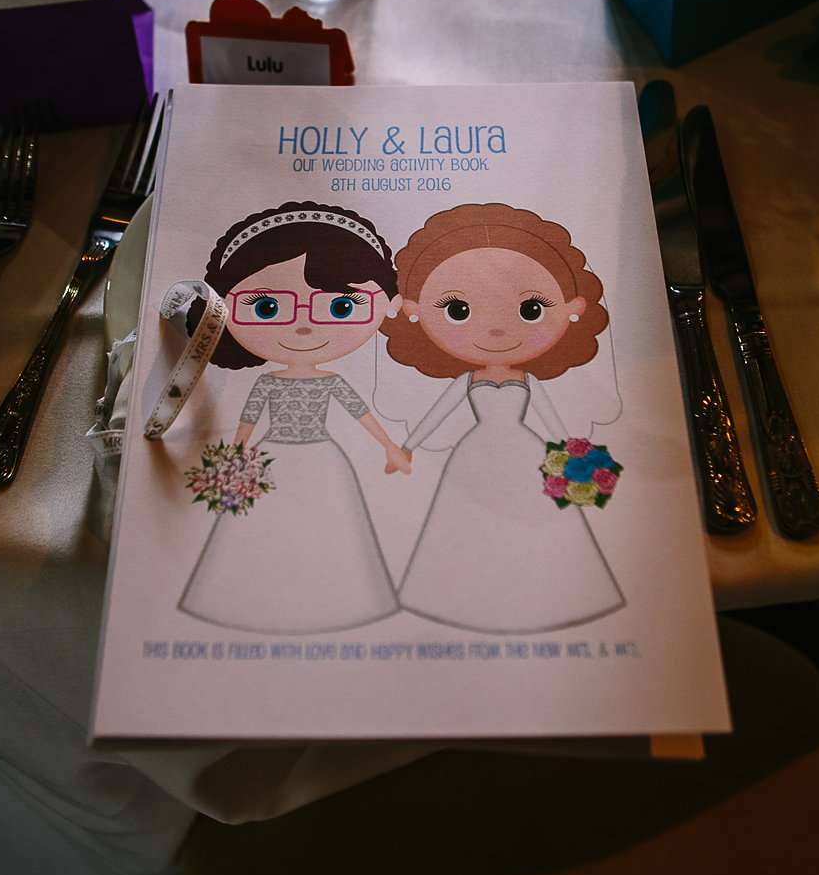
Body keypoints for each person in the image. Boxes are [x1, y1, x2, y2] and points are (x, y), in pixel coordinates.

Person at [382, 202, 625, 633]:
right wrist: (405, 447)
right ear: (416, 311)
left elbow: (551, 421)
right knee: (469, 524)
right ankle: (465, 596)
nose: (495, 329)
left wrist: (575, 455)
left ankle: (542, 592)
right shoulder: (467, 380)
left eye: (531, 310)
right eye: (458, 311)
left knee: (537, 522)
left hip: (527, 454)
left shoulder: (528, 379)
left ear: (572, 308)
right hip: (475, 458)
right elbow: (438, 414)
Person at [178, 202, 409, 633]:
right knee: (261, 528)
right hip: (271, 457)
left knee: (330, 527)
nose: (303, 326)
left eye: (340, 307)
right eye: (268, 308)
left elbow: (358, 412)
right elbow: (248, 420)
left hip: (323, 460)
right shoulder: (268, 383)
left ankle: (331, 601)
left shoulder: (330, 381)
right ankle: (254, 599)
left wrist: (390, 447)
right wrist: (236, 455)